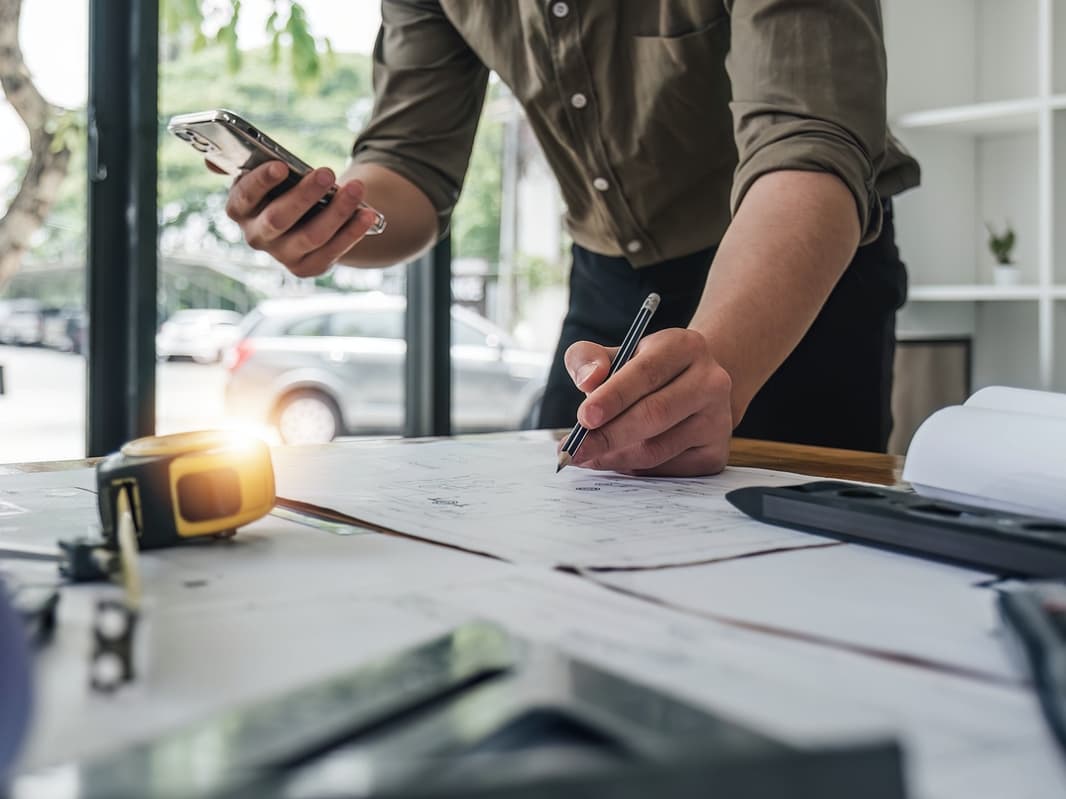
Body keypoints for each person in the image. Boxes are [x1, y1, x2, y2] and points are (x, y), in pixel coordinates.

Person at [223, 1, 919, 477]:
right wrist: (331, 219)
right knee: (567, 549)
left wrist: (721, 364)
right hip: (611, 282)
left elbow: (809, 142)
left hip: (792, 274)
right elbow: (410, 164)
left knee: (801, 581)